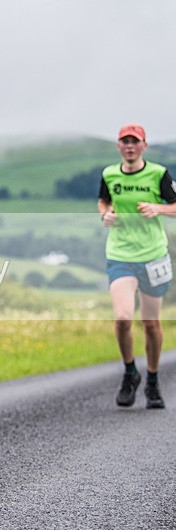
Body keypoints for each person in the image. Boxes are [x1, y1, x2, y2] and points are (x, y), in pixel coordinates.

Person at [98, 124, 176, 410]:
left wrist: (160, 208)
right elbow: (104, 201)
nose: (130, 146)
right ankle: (130, 372)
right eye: (124, 142)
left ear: (144, 146)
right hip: (120, 254)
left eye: (135, 142)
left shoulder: (158, 174)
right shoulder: (109, 174)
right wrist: (106, 216)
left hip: (153, 255)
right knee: (122, 317)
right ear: (119, 146)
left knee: (151, 325)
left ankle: (153, 380)